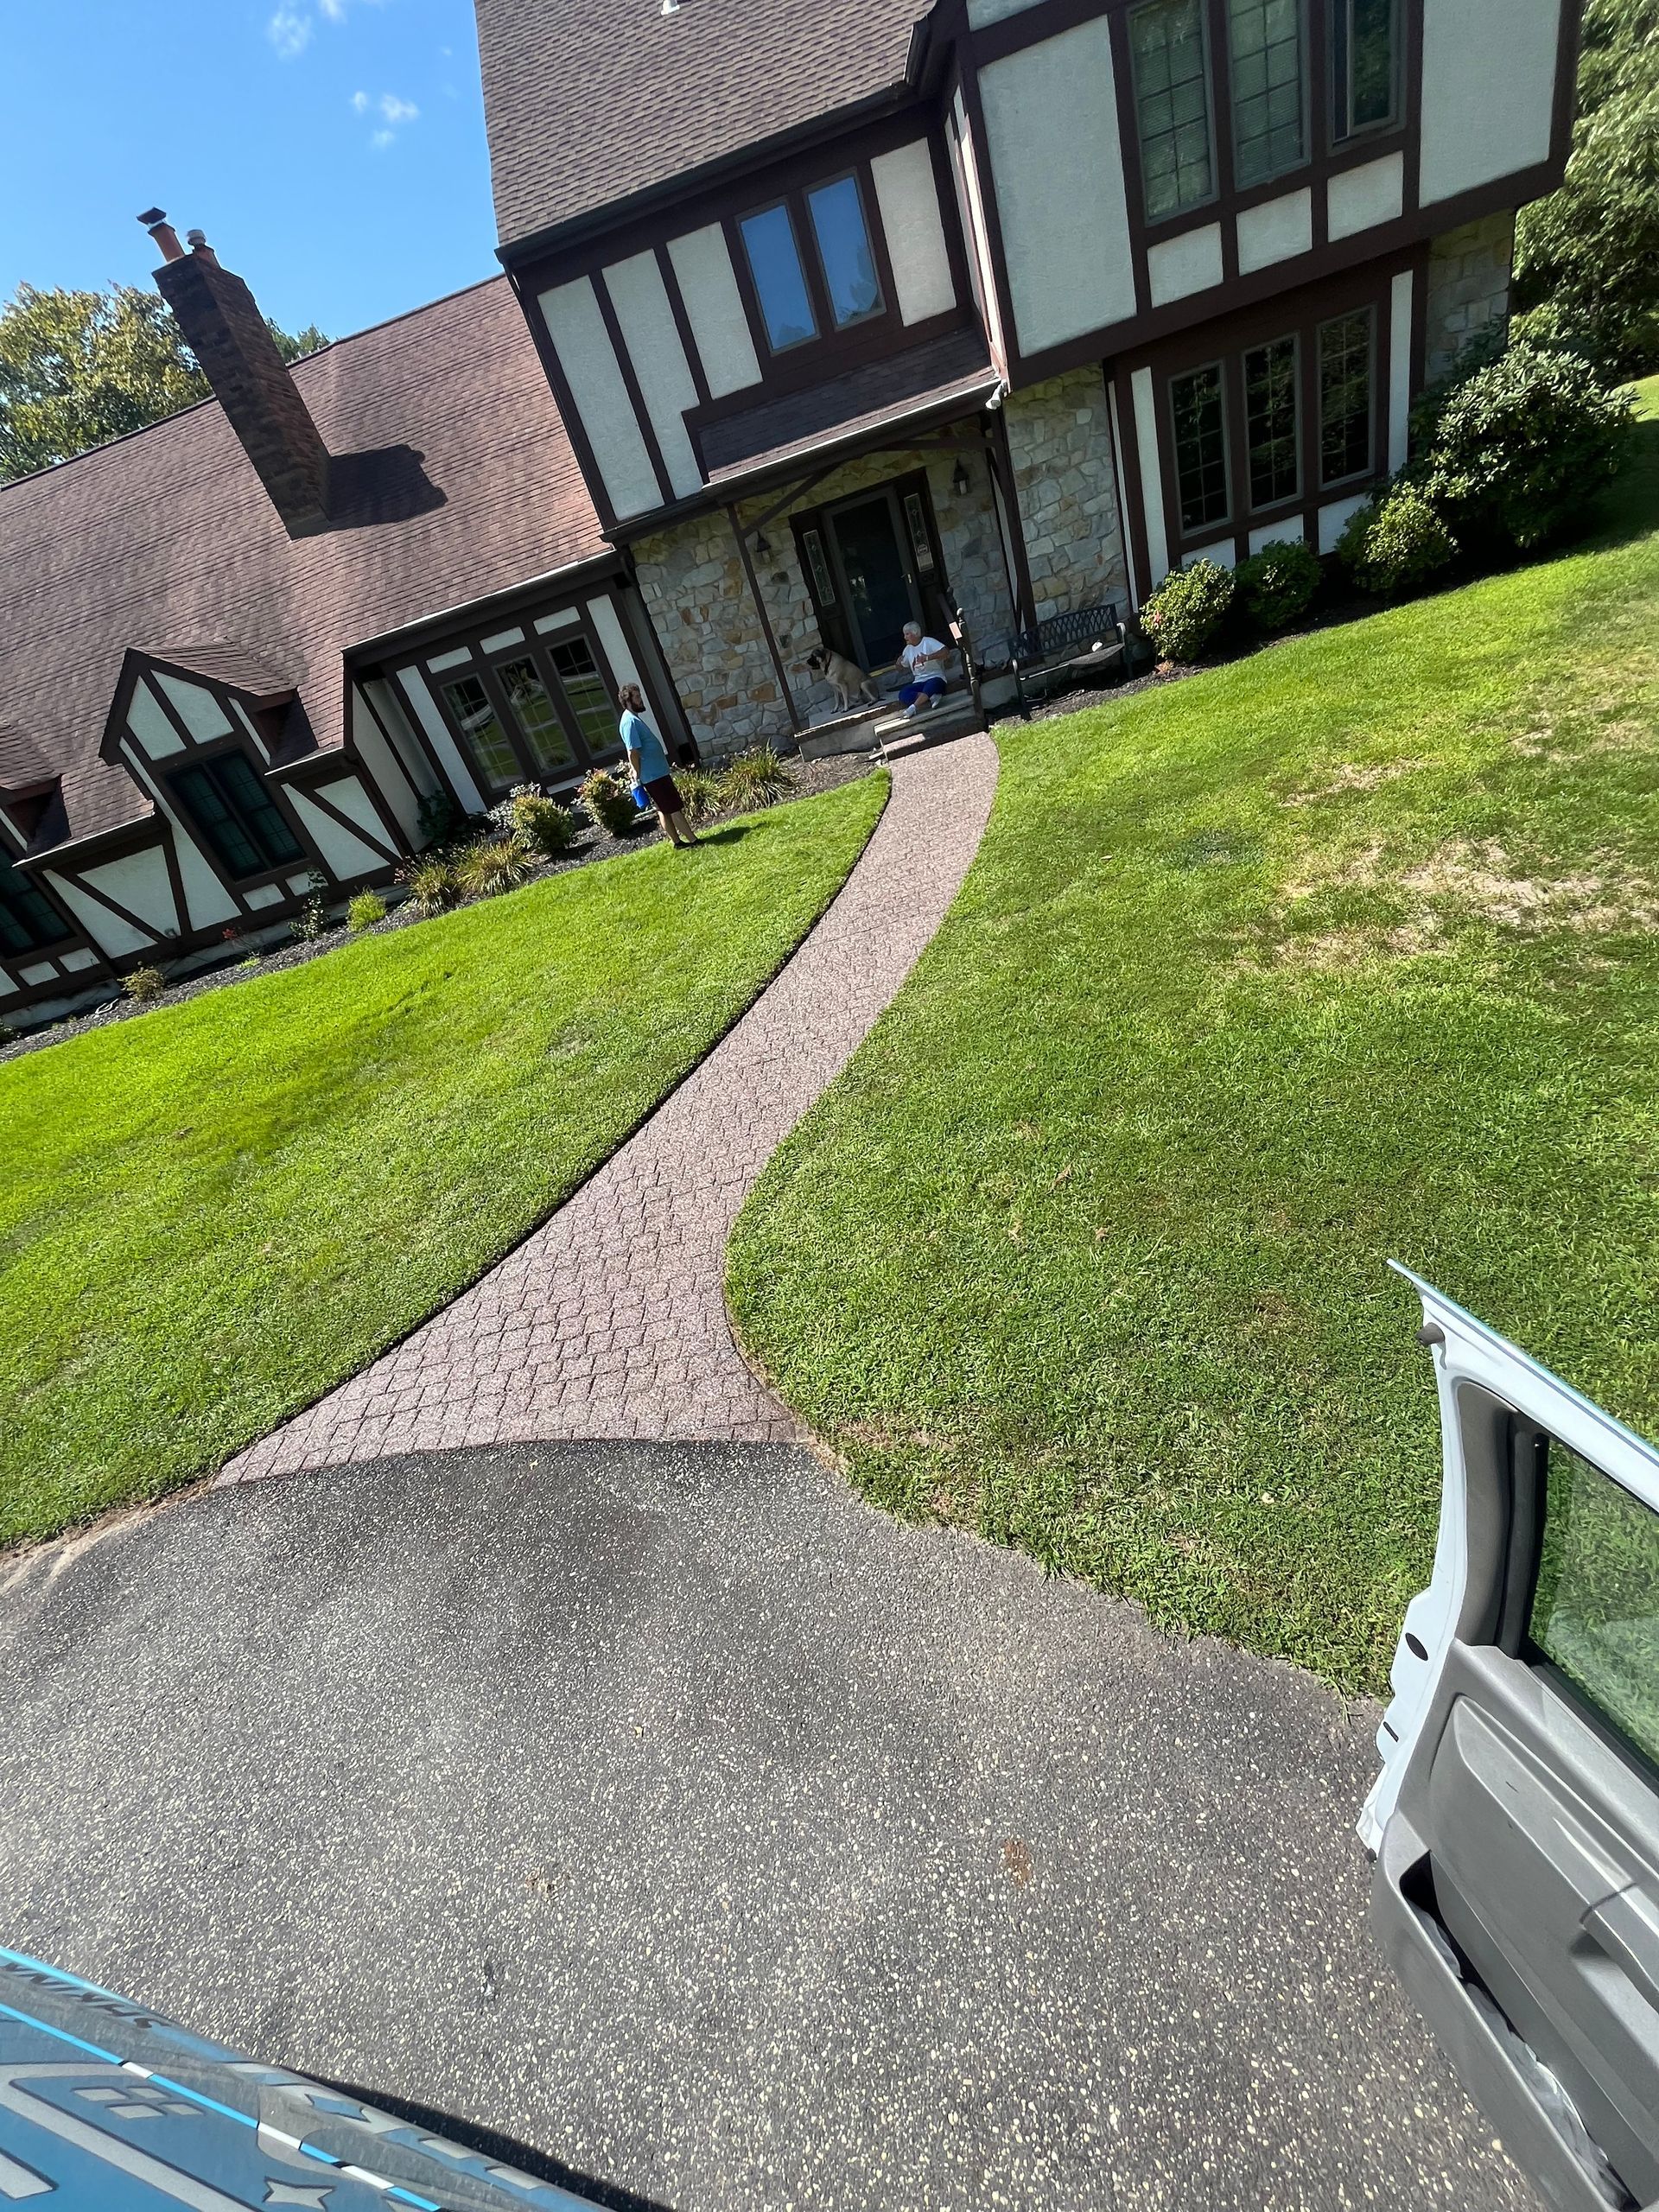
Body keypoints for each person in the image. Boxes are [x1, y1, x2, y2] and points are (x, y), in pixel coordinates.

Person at [617, 684, 698, 849]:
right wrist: (637, 772)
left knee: (664, 809)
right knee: (673, 807)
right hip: (653, 775)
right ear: (628, 701)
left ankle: (677, 843)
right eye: (637, 697)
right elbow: (632, 751)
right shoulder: (629, 722)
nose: (641, 700)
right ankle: (693, 841)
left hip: (656, 773)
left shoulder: (633, 718)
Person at [896, 623, 950, 718]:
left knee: (933, 684)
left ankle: (913, 708)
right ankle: (932, 696)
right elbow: (901, 669)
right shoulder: (907, 649)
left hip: (935, 677)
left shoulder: (928, 642)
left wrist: (928, 657)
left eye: (907, 634)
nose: (905, 637)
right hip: (919, 682)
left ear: (915, 633)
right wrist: (898, 664)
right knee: (903, 694)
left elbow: (946, 652)